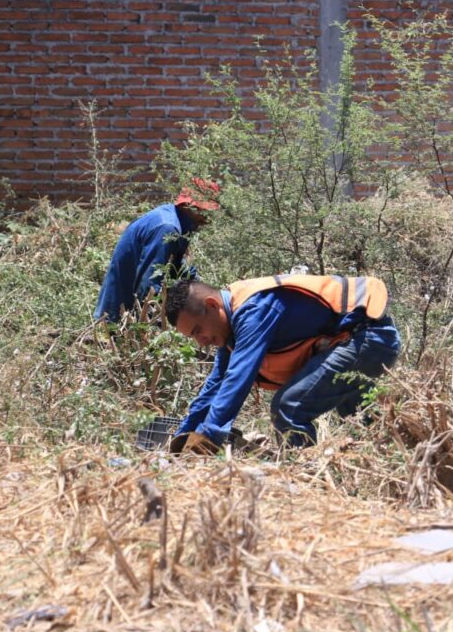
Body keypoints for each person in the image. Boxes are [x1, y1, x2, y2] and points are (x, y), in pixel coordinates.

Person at [164, 273, 401, 454]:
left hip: (368, 338)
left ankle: (304, 481)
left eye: (198, 331)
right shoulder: (229, 329)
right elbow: (216, 384)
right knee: (360, 424)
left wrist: (209, 437)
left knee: (289, 407)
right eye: (192, 337)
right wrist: (183, 435)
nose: (201, 342)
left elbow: (238, 379)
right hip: (354, 343)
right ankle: (396, 462)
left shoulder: (254, 309)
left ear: (213, 306)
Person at [94, 178, 221, 322]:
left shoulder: (179, 221)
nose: (208, 219)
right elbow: (149, 283)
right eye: (205, 212)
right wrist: (154, 322)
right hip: (121, 314)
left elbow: (177, 267)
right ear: (190, 207)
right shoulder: (167, 227)